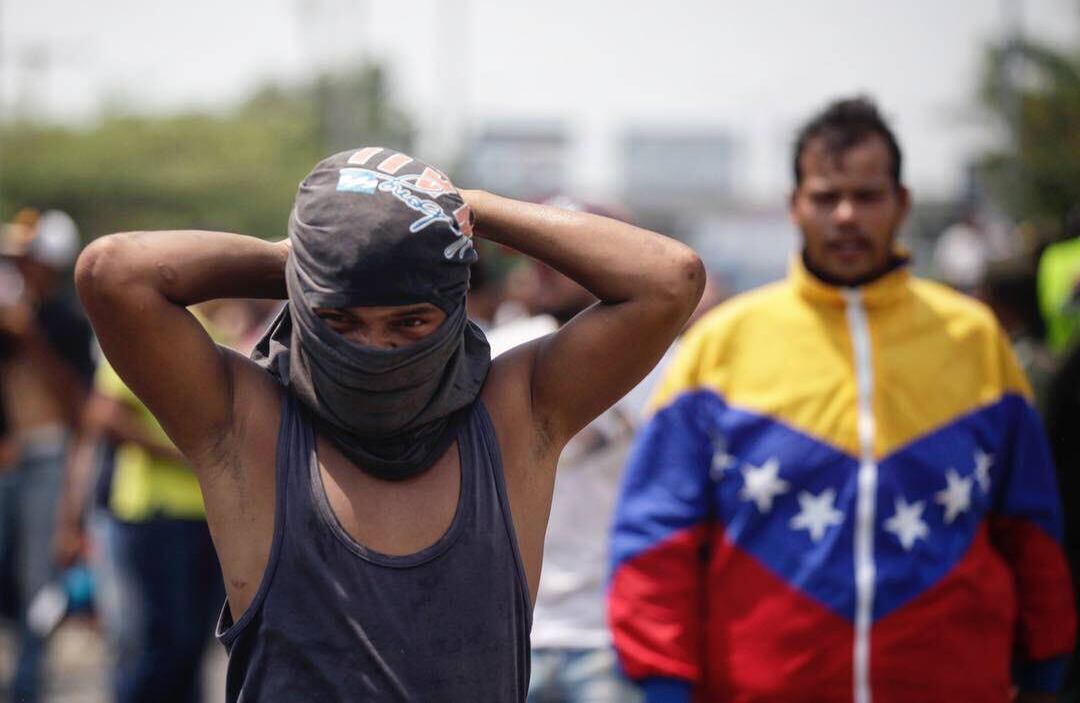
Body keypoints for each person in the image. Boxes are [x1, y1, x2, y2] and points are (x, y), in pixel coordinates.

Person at [74, 147, 704, 701]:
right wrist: (327, 256)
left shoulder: (516, 414)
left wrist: (461, 209)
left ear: (453, 306)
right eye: (342, 321)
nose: (374, 349)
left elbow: (668, 278)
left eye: (409, 322)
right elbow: (113, 272)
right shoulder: (245, 425)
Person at [607, 97, 1076, 703]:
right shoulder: (721, 344)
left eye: (868, 195)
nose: (847, 216)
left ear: (901, 203)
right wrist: (664, 684)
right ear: (794, 206)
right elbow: (657, 532)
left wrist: (1045, 668)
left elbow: (1031, 528)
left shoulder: (974, 338)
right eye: (826, 197)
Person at [0, 208, 94, 702]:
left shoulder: (66, 322)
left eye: (26, 258)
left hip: (49, 460)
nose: (17, 267)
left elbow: (78, 404)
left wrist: (31, 338)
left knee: (39, 578)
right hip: (10, 459)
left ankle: (25, 686)